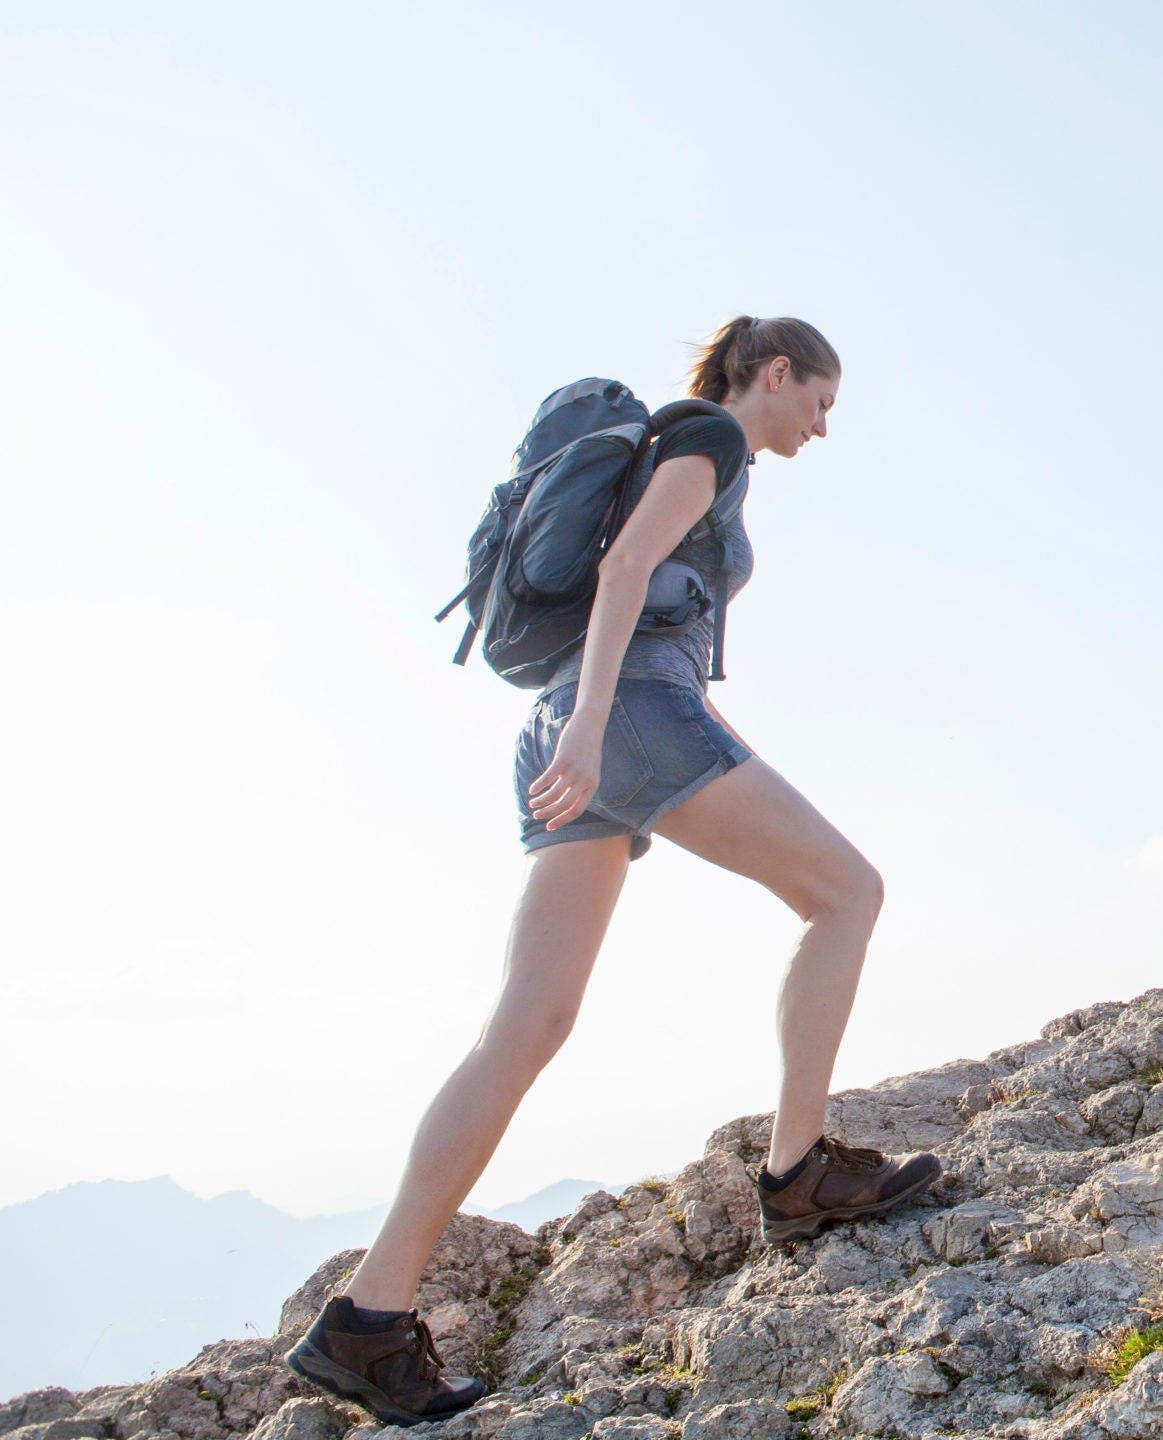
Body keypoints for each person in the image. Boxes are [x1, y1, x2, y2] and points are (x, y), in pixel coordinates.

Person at [286, 318, 940, 1428]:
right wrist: (599, 726)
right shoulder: (710, 438)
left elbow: (645, 591)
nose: (822, 427)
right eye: (819, 401)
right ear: (771, 374)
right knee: (848, 893)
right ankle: (798, 1174)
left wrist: (585, 729)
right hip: (616, 719)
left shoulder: (679, 444)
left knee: (527, 1023)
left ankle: (367, 1322)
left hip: (567, 728)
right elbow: (629, 568)